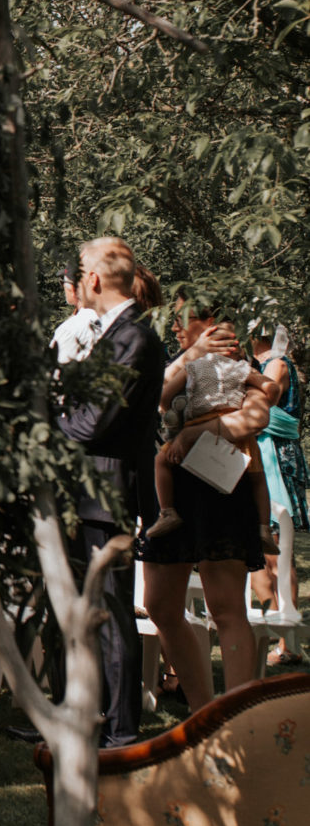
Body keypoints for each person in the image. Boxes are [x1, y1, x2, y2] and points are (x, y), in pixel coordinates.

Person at [57, 236, 167, 747]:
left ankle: (122, 731)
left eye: (81, 271)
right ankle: (89, 716)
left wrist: (43, 427)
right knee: (89, 611)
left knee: (112, 614)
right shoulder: (117, 332)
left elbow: (95, 422)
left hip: (105, 489)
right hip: (87, 489)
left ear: (94, 280)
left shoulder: (134, 338)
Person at [141, 297, 272, 700]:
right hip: (172, 491)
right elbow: (157, 397)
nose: (176, 328)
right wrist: (192, 354)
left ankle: (237, 716)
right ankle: (202, 713)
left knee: (227, 607)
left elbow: (257, 415)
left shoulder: (236, 365)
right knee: (160, 605)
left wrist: (198, 432)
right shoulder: (181, 363)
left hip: (221, 487)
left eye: (184, 320)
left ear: (211, 322)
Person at [147, 345, 279, 555]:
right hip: (232, 427)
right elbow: (273, 388)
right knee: (258, 479)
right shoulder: (242, 368)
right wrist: (259, 397)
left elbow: (164, 398)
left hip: (196, 427)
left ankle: (167, 511)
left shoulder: (192, 366)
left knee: (161, 462)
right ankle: (264, 529)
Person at [249, 322, 307, 646]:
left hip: (274, 460)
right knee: (259, 550)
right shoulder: (262, 365)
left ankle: (290, 643)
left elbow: (259, 411)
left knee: (277, 549)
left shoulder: (276, 364)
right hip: (263, 455)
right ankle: (273, 623)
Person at [51, 257, 101, 364]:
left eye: (62, 282)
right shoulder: (114, 318)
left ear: (73, 290)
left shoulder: (69, 330)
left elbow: (56, 373)